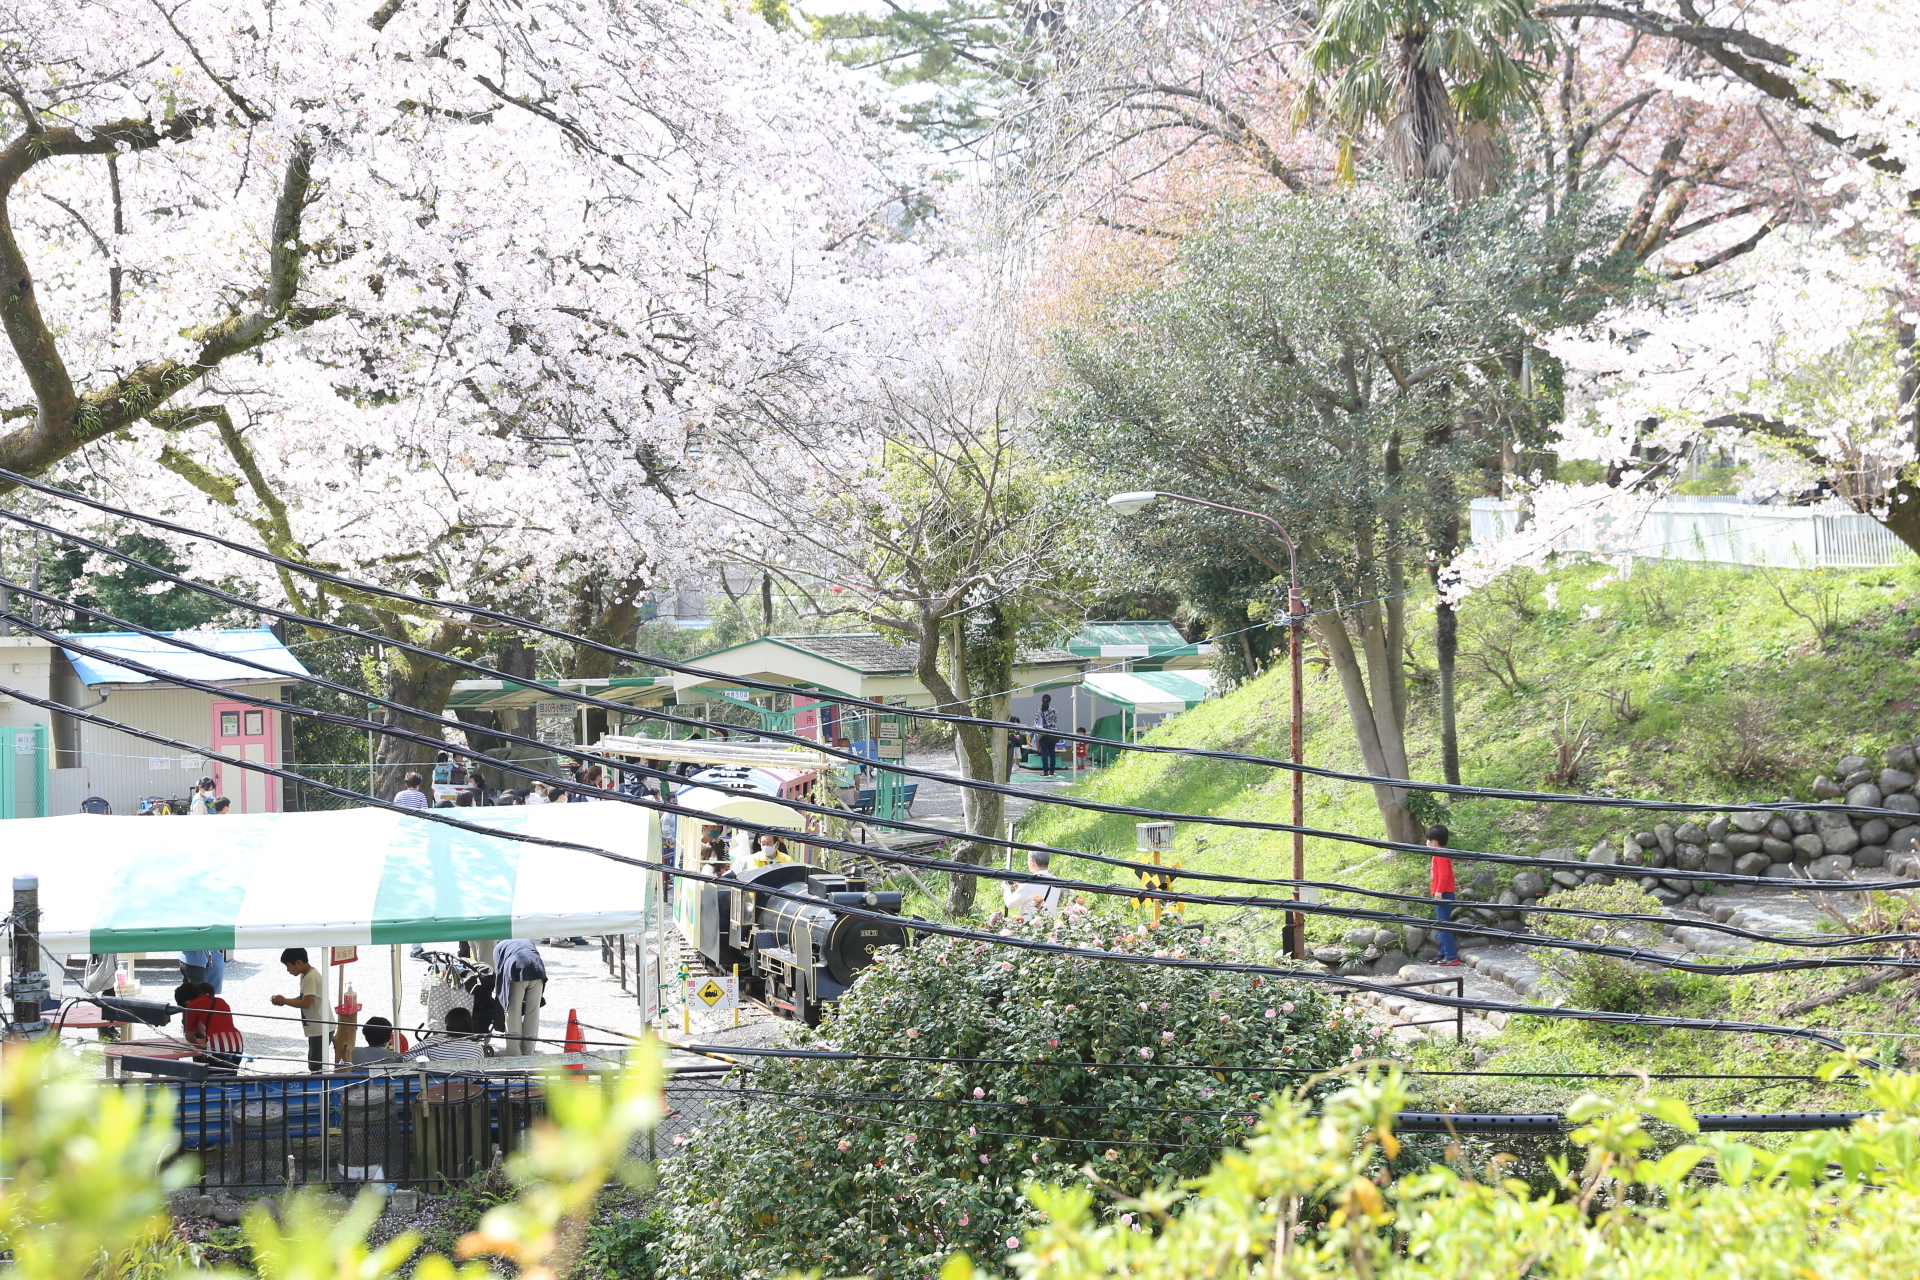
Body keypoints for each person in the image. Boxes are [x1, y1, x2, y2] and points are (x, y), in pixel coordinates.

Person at [271, 947, 329, 1070]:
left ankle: (318, 1087)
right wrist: (284, 1000)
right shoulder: (306, 975)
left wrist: (285, 1001)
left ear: (298, 962)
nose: (288, 970)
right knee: (315, 1061)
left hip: (320, 1027)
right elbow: (305, 997)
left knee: (316, 1065)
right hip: (317, 1026)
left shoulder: (310, 977)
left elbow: (306, 1003)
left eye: (288, 966)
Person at [493, 938, 547, 1056]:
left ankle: (515, 1054)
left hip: (516, 970)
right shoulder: (527, 940)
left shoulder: (498, 947)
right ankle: (529, 1052)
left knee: (513, 1013)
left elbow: (499, 973)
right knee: (533, 1012)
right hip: (537, 969)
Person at [177, 981, 243, 1074]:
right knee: (229, 1079)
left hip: (218, 1044)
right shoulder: (221, 1001)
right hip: (237, 1042)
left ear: (187, 1003)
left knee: (214, 1081)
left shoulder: (193, 1006)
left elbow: (189, 1037)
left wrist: (199, 1046)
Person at [1427, 825, 1461, 965]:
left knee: (1443, 926)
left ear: (1434, 841)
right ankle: (1442, 954)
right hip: (1443, 893)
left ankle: (1451, 956)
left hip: (1444, 894)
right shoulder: (1439, 854)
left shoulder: (1440, 854)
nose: (1427, 843)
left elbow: (1444, 874)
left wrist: (1439, 891)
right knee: (1440, 925)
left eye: (1428, 840)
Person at [1003, 850, 1063, 916]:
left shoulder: (1027, 885)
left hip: (1031, 925)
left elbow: (1010, 904)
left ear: (1032, 862)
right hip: (1050, 924)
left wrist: (1006, 889)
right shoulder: (1056, 881)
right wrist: (1021, 888)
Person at [417, 1006, 485, 1061]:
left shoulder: (432, 1042)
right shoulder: (477, 1048)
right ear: (469, 1025)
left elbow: (407, 1056)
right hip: (466, 1078)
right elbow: (479, 1073)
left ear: (448, 1023)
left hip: (436, 1078)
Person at [1035, 694, 1060, 777]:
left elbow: (1036, 722)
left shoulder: (1039, 710)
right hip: (1052, 734)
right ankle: (1052, 771)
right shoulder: (1053, 710)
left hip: (1043, 734)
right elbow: (1055, 721)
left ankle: (1045, 771)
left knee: (1044, 753)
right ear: (1050, 701)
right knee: (1052, 753)